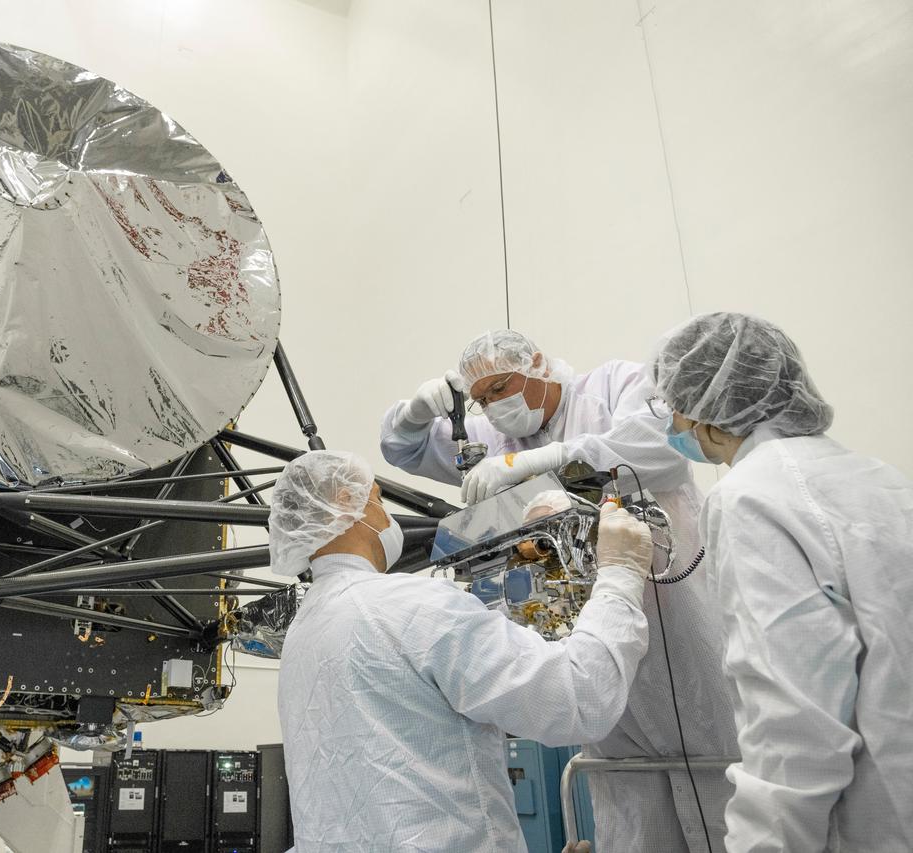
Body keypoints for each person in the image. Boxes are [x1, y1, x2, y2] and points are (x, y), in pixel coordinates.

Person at [381, 329, 738, 852]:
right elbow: (403, 448)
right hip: (589, 624)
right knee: (620, 767)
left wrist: (550, 459)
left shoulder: (612, 386)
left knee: (711, 742)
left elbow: (661, 451)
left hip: (673, 604)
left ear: (538, 364)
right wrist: (413, 412)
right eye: (480, 399)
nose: (491, 407)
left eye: (500, 388)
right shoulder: (496, 438)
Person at [271, 449, 655, 852]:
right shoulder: (407, 604)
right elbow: (578, 697)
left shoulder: (303, 634)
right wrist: (620, 574)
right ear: (349, 502)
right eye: (379, 499)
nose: (387, 515)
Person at [652, 312, 913, 852]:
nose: (671, 422)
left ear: (707, 408)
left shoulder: (752, 496)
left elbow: (792, 718)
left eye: (673, 404)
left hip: (876, 813)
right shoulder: (878, 477)